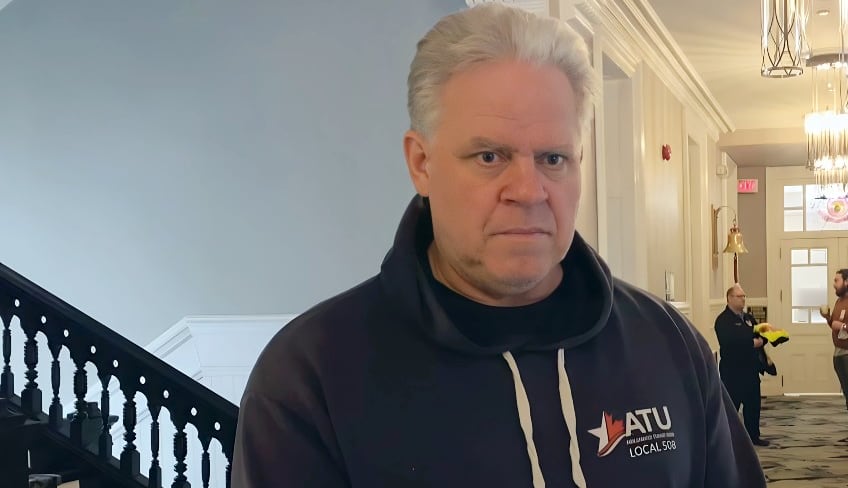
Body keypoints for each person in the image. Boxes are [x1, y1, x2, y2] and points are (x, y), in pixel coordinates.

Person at [231, 4, 766, 487]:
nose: (529, 191)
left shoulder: (668, 345)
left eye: (553, 158)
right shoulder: (310, 377)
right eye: (490, 156)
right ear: (422, 162)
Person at [714, 284, 769, 446]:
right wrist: (751, 343)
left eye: (744, 296)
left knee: (753, 406)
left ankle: (753, 436)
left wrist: (762, 342)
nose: (743, 299)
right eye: (739, 296)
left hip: (750, 369)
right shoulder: (723, 320)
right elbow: (729, 342)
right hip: (733, 371)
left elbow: (761, 335)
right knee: (731, 408)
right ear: (730, 298)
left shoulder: (748, 318)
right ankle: (727, 439)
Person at [821, 269, 848, 411]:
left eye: (836, 280)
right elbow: (835, 326)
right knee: (846, 391)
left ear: (846, 282)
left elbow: (841, 326)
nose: (833, 284)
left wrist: (842, 325)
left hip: (847, 354)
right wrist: (828, 318)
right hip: (838, 354)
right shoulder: (839, 301)